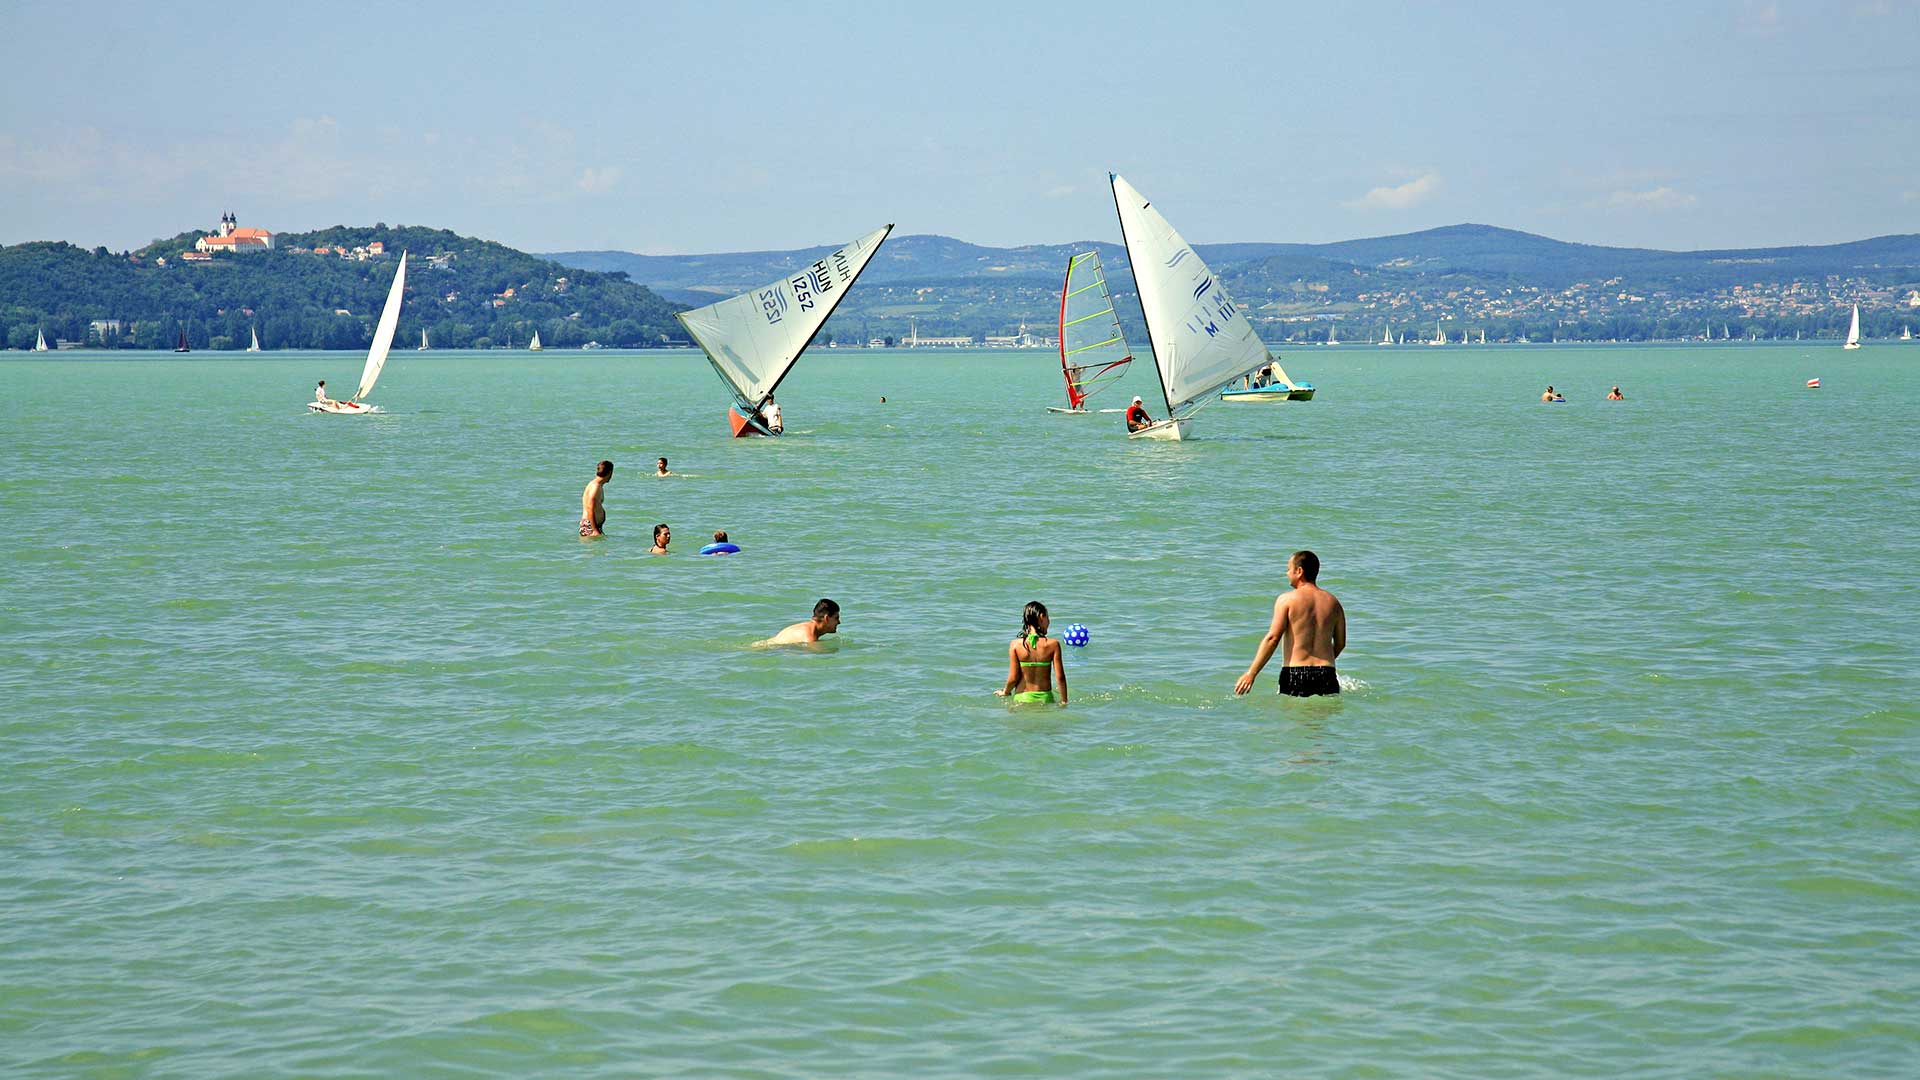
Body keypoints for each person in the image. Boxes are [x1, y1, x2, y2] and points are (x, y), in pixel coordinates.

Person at [1234, 549, 1346, 698]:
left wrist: (1251, 673)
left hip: (1296, 674)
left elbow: (1273, 638)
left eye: (1288, 569)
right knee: (1321, 719)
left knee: (1292, 720)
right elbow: (1340, 643)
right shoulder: (1334, 603)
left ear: (1299, 571)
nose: (1287, 573)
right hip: (1327, 674)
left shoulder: (1286, 600)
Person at [995, 600, 1068, 705]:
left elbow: (1013, 677)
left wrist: (1005, 692)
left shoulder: (1015, 645)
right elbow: (1060, 677)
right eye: (1048, 618)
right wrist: (1064, 701)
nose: (1049, 621)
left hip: (1022, 699)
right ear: (1042, 617)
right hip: (1045, 699)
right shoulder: (1053, 644)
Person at [766, 598, 840, 645]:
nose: (839, 622)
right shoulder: (809, 637)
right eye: (836, 618)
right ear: (826, 618)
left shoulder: (808, 628)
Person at [580, 460, 611, 538]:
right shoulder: (595, 487)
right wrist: (595, 530)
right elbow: (590, 508)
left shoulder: (594, 484)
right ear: (610, 472)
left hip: (592, 526)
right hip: (591, 527)